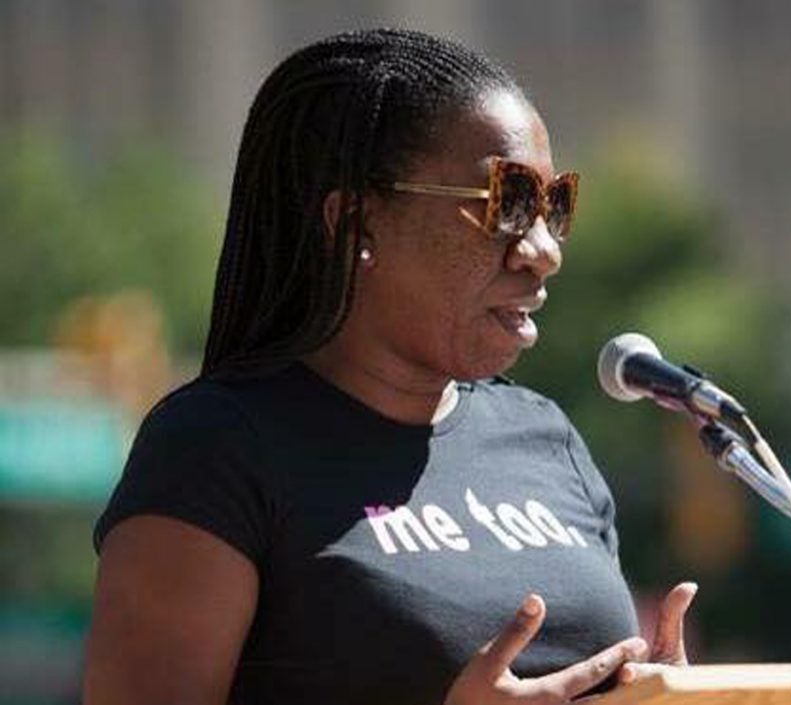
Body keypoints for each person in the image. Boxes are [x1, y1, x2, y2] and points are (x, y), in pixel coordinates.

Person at [83, 28, 697, 705]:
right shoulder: (216, 448)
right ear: (357, 222)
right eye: (507, 201)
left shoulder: (545, 437)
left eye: (556, 205)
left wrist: (657, 692)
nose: (542, 249)